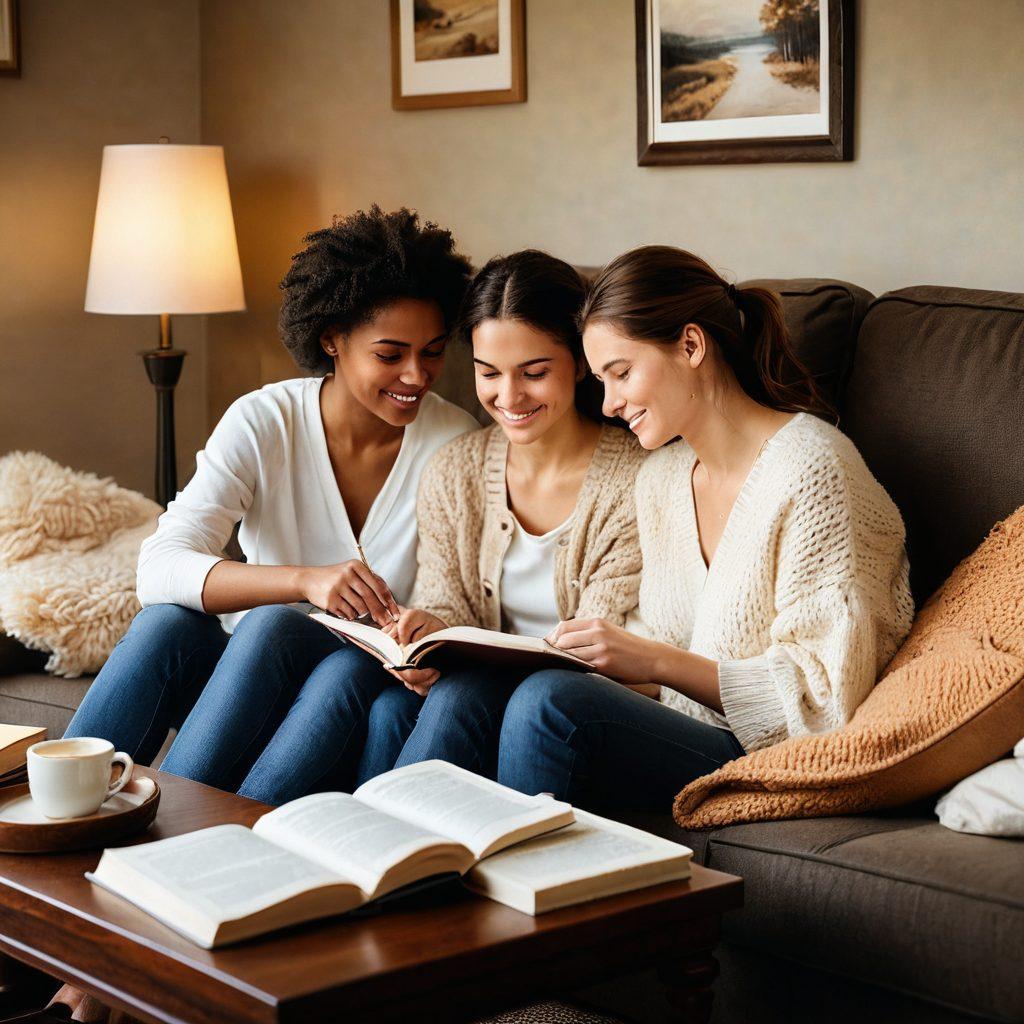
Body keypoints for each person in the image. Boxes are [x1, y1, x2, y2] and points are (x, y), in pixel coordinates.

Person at [62, 206, 479, 795]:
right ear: (332, 339)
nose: (416, 375)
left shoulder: (455, 444)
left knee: (274, 628)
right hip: (243, 689)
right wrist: (303, 580)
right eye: (390, 355)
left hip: (355, 696)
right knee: (165, 627)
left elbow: (467, 600)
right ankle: (57, 819)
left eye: (433, 352)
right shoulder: (265, 421)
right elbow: (158, 567)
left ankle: (179, 833)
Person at [495, 246, 915, 813]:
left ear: (691, 345)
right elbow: (666, 673)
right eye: (600, 380)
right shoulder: (662, 479)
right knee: (480, 695)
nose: (611, 403)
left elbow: (824, 701)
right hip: (683, 731)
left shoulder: (813, 471)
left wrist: (655, 662)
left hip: (773, 756)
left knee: (548, 705)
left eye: (621, 373)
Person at [235, 250, 646, 803]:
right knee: (381, 698)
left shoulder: (637, 482)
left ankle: (363, 854)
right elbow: (448, 606)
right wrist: (427, 633)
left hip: (572, 708)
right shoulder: (456, 469)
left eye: (535, 372)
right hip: (478, 694)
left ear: (579, 361)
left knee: (457, 695)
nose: (509, 397)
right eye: (488, 373)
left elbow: (599, 656)